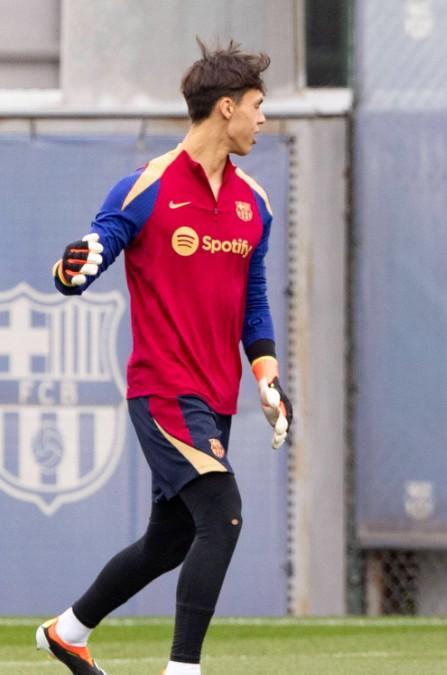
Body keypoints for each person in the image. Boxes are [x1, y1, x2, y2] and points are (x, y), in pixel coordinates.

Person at [35, 40, 292, 675]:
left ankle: (66, 633)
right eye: (257, 107)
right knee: (223, 515)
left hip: (217, 394)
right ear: (226, 108)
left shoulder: (253, 201)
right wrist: (73, 270)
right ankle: (183, 669)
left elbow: (253, 303)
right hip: (164, 392)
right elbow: (90, 253)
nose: (264, 120)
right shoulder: (146, 186)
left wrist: (267, 378)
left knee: (171, 539)